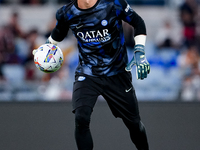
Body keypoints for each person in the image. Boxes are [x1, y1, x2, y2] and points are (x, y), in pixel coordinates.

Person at [33, 0, 150, 149]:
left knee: (134, 124)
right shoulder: (66, 13)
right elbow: (58, 32)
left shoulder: (113, 4)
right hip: (88, 73)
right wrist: (45, 48)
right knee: (81, 117)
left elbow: (137, 22)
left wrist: (139, 50)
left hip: (117, 74)